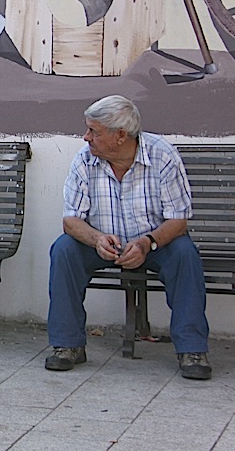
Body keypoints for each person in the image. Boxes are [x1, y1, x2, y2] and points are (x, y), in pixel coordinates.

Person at [46, 95, 211, 380]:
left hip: (154, 243)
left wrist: (148, 242)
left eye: (94, 131)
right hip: (102, 243)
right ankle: (67, 344)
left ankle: (192, 349)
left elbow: (178, 220)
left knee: (184, 253)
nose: (86, 137)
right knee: (63, 250)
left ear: (120, 135)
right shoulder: (84, 160)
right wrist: (97, 239)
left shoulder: (162, 156)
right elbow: (71, 221)